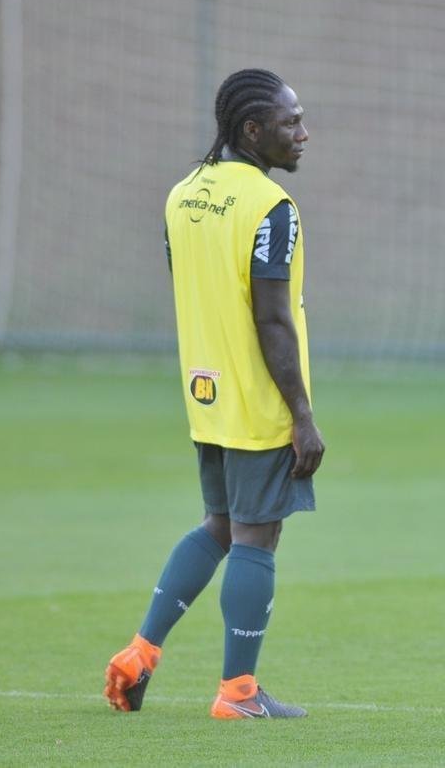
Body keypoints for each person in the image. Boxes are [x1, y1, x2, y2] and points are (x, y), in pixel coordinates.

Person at [103, 68, 324, 719]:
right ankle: (239, 691)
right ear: (252, 131)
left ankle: (141, 651)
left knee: (219, 525)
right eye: (290, 123)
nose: (303, 133)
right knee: (257, 536)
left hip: (204, 392)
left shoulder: (182, 194)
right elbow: (272, 318)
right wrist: (301, 414)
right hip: (258, 398)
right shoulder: (269, 207)